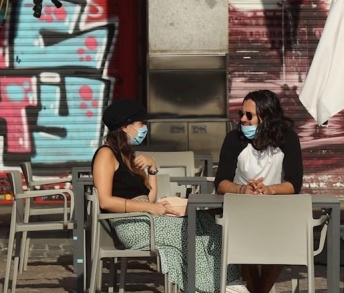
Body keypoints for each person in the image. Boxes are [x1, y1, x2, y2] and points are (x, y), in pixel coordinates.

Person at [92, 98, 248, 293]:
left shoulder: (128, 155)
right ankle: (206, 287)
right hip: (131, 224)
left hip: (147, 217)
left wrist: (152, 168)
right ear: (125, 127)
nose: (144, 128)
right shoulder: (105, 155)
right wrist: (150, 208)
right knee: (190, 229)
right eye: (141, 123)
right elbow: (105, 201)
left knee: (209, 224)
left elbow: (149, 197)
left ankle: (226, 283)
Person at [214, 90, 304, 293]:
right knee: (240, 240)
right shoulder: (233, 139)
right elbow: (221, 183)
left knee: (283, 242)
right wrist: (242, 189)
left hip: (277, 210)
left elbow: (294, 183)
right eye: (241, 114)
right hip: (240, 210)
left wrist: (269, 189)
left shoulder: (287, 139)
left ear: (266, 117)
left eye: (249, 115)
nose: (243, 120)